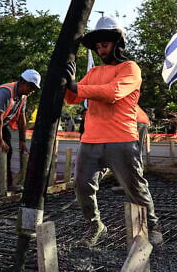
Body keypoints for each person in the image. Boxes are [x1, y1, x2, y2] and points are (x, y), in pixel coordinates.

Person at [62, 15, 162, 247]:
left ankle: (153, 225)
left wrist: (78, 86)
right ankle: (95, 225)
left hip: (121, 138)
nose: (101, 49)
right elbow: (73, 97)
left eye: (104, 44)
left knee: (134, 187)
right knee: (82, 185)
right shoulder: (94, 73)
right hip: (91, 139)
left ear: (117, 43)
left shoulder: (130, 68)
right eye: (98, 46)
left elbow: (113, 92)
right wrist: (67, 83)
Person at [0, 69, 40, 200]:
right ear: (24, 83)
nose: (32, 91)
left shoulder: (23, 97)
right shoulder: (5, 93)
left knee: (7, 150)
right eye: (31, 87)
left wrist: (22, 140)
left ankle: (8, 184)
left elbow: (21, 118)